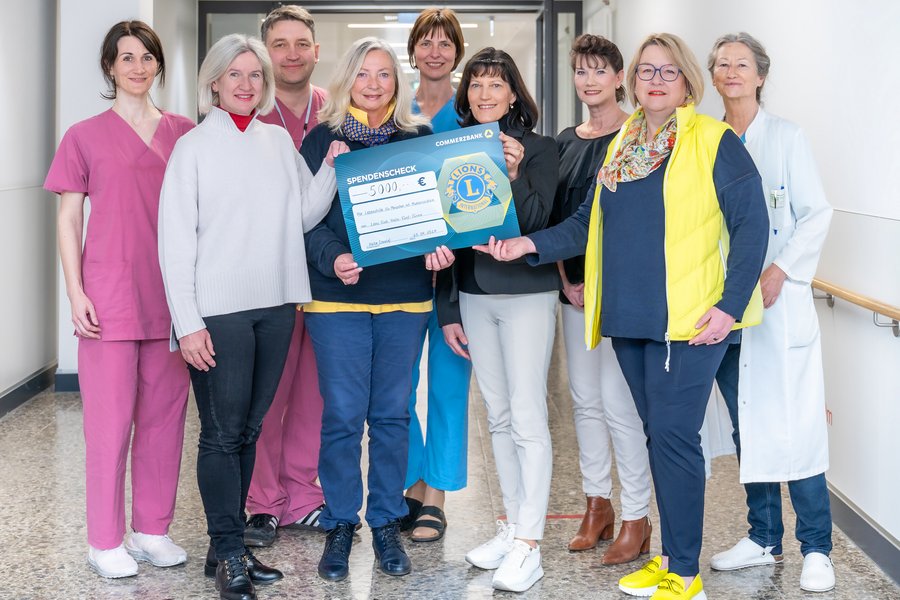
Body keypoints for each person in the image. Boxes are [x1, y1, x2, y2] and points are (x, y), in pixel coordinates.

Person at [476, 33, 769, 600]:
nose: (655, 82)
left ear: (687, 82)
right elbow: (586, 224)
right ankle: (671, 560)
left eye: (668, 72)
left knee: (675, 439)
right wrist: (525, 246)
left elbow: (752, 226)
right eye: (646, 73)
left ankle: (685, 575)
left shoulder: (714, 140)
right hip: (630, 321)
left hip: (688, 322)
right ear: (633, 83)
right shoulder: (623, 146)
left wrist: (729, 306)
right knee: (659, 437)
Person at [158, 33, 347, 600]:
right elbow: (173, 241)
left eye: (254, 76)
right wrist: (187, 322)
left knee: (247, 431)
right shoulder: (192, 148)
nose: (246, 84)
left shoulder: (276, 142)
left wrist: (333, 168)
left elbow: (304, 213)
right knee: (220, 435)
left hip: (275, 305)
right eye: (234, 75)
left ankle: (228, 547)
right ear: (213, 82)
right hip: (217, 314)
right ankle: (228, 553)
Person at [299, 37, 454, 582]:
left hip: (406, 296)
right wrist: (333, 255)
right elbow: (304, 221)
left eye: (384, 74)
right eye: (363, 73)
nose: (372, 83)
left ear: (397, 82)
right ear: (348, 79)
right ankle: (341, 522)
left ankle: (386, 520)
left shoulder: (418, 140)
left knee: (391, 414)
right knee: (342, 415)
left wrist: (441, 249)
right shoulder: (322, 138)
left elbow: (440, 219)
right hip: (335, 297)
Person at [44, 20, 193, 580]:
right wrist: (75, 289)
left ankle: (151, 529)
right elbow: (68, 216)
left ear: (158, 64)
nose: (136, 66)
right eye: (125, 57)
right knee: (109, 424)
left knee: (164, 419)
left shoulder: (183, 132)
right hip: (107, 295)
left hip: (172, 295)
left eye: (146, 56)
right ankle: (104, 540)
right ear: (110, 67)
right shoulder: (83, 135)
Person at [707, 32, 835, 593]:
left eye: (741, 64)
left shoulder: (786, 138)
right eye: (721, 64)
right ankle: (762, 537)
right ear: (711, 77)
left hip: (778, 306)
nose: (730, 72)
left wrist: (781, 269)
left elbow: (816, 213)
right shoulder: (707, 139)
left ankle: (817, 547)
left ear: (760, 75)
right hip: (726, 310)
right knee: (747, 425)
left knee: (797, 423)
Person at [437, 47, 560, 593]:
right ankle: (509, 527)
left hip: (528, 294)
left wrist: (511, 173)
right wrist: (446, 308)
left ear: (514, 93)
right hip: (474, 295)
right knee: (500, 416)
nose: (486, 94)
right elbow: (441, 235)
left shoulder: (540, 149)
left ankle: (530, 544)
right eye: (477, 85)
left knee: (529, 415)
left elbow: (537, 225)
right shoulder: (452, 149)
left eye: (496, 84)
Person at [553, 34, 653, 566]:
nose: (589, 81)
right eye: (580, 72)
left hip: (619, 295)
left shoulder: (637, 137)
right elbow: (561, 219)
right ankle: (598, 505)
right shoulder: (566, 140)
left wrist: (600, 281)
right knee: (585, 401)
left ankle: (637, 516)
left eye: (599, 71)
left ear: (620, 77)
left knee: (620, 408)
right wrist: (568, 279)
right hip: (574, 293)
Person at [243, 3, 330, 549]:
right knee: (266, 394)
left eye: (301, 43)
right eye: (280, 44)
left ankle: (304, 493)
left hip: (326, 275)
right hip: (264, 276)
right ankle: (263, 503)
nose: (292, 54)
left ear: (317, 51)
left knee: (315, 393)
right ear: (264, 51)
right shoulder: (249, 110)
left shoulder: (338, 108)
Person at [401, 6, 473, 544]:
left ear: (457, 51)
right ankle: (413, 479)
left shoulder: (471, 116)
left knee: (448, 385)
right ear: (413, 50)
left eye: (444, 42)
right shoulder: (392, 111)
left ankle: (439, 495)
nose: (434, 51)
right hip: (399, 275)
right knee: (395, 388)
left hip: (452, 277)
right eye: (425, 41)